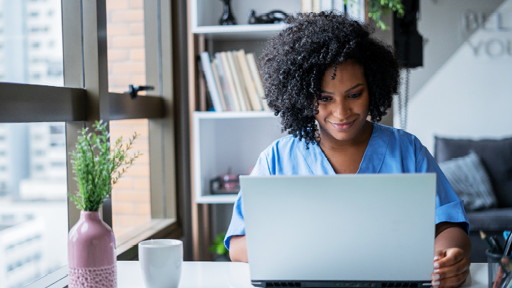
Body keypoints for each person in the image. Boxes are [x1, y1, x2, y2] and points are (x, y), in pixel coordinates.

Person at [225, 11, 471, 288]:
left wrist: (451, 255)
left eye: (354, 95)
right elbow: (237, 246)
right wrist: (314, 247)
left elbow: (449, 226)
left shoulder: (407, 150)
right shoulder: (276, 160)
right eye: (324, 98)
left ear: (374, 87)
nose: (341, 112)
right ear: (302, 96)